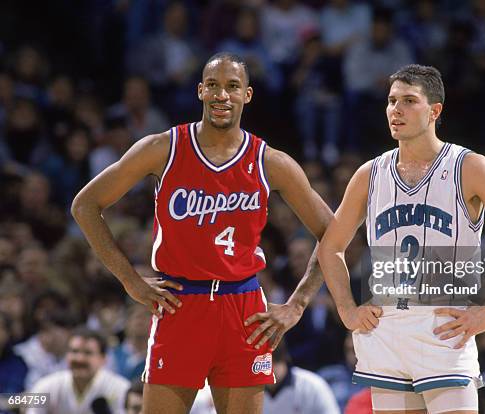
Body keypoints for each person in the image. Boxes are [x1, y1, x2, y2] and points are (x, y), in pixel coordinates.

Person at [71, 52, 332, 414]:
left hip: (244, 310)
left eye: (232, 86)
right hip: (181, 303)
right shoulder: (163, 147)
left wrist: (297, 304)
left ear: (248, 95)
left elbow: (331, 232)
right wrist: (129, 280)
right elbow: (85, 205)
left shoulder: (270, 161)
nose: (221, 95)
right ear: (200, 91)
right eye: (213, 85)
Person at [318, 64, 485, 413]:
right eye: (392, 101)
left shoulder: (468, 167)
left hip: (443, 329)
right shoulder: (369, 174)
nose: (396, 109)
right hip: (386, 330)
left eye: (409, 100)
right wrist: (347, 308)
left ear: (434, 111)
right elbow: (330, 247)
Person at [26, 328, 130, 414]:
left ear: (103, 359)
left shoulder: (120, 388)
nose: (80, 359)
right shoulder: (46, 386)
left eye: (88, 353)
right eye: (74, 352)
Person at [263, 342, 340, 414]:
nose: (267, 370)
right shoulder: (252, 390)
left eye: (273, 362)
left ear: (284, 358)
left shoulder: (313, 385)